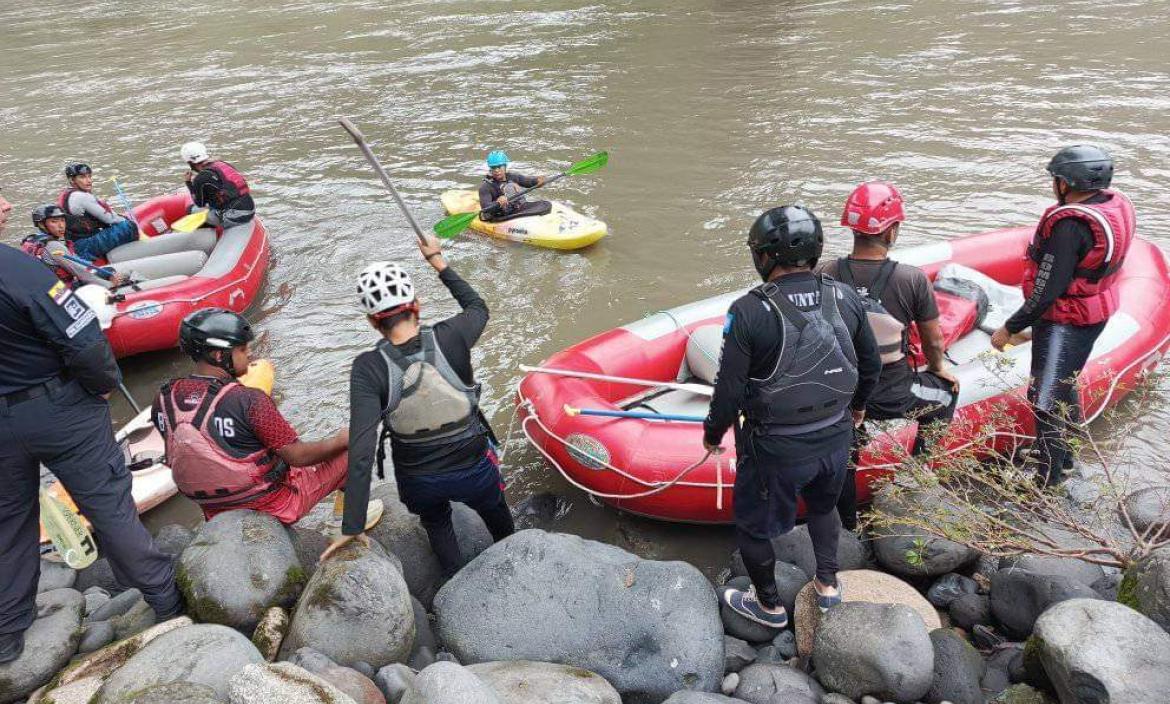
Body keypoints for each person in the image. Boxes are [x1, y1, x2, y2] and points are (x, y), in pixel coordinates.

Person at [0, 243, 181, 664]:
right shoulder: (18, 268)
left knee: (8, 521)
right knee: (108, 502)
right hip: (58, 407)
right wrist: (101, 382)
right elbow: (81, 340)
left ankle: (8, 630)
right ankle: (164, 597)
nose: (7, 205)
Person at [706, 205, 882, 628]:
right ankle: (827, 585)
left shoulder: (749, 311)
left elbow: (729, 389)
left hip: (775, 448)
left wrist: (712, 435)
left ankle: (768, 606)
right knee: (824, 508)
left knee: (752, 528)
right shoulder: (844, 295)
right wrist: (857, 409)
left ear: (764, 256)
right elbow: (871, 365)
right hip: (835, 437)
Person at [323, 234, 515, 571]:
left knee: (437, 522)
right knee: (494, 507)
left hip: (419, 480)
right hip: (473, 467)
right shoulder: (452, 335)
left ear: (372, 321)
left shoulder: (367, 368)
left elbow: (362, 447)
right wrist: (437, 260)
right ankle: (513, 552)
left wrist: (352, 525)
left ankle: (455, 581)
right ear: (417, 305)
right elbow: (477, 307)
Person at [990, 145, 1135, 486]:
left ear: (1066, 184)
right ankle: (1066, 457)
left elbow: (1047, 291)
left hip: (1066, 320)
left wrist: (1010, 328)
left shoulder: (1070, 227)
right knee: (1063, 385)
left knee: (1044, 399)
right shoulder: (1110, 204)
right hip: (1089, 315)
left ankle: (1049, 480)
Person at [817, 182, 959, 528]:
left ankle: (847, 523)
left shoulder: (825, 274)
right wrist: (940, 368)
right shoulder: (912, 279)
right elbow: (933, 341)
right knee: (944, 395)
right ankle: (916, 477)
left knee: (845, 444)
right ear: (892, 230)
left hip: (840, 393)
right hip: (891, 392)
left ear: (852, 229)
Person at [153, 308, 354, 525]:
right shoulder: (249, 400)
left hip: (213, 508)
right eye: (242, 349)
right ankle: (346, 518)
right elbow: (298, 456)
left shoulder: (164, 397)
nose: (250, 354)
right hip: (272, 504)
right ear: (219, 355)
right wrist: (341, 440)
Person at [22, 205, 136, 288]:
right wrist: (111, 285)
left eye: (62, 221)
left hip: (52, 289)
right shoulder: (53, 246)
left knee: (108, 271)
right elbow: (83, 274)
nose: (61, 226)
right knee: (122, 277)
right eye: (54, 221)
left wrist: (107, 274)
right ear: (42, 224)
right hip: (65, 292)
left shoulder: (33, 241)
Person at [181, 142, 255, 229]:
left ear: (190, 162)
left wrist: (188, 183)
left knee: (191, 210)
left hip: (234, 217)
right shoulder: (223, 164)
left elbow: (199, 204)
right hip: (250, 209)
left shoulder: (200, 178)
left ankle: (206, 236)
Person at [476, 150, 551, 222]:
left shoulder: (513, 177)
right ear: (490, 169)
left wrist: (537, 181)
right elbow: (485, 207)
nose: (496, 170)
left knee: (545, 204)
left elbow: (528, 182)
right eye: (493, 167)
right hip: (502, 215)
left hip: (519, 208)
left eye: (499, 166)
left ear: (505, 166)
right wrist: (498, 203)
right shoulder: (485, 187)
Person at [58, 163, 125, 240]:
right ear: (72, 180)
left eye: (89, 176)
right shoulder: (82, 196)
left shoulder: (66, 193)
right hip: (87, 240)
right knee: (129, 226)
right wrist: (127, 220)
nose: (89, 181)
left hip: (74, 239)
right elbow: (111, 219)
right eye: (82, 177)